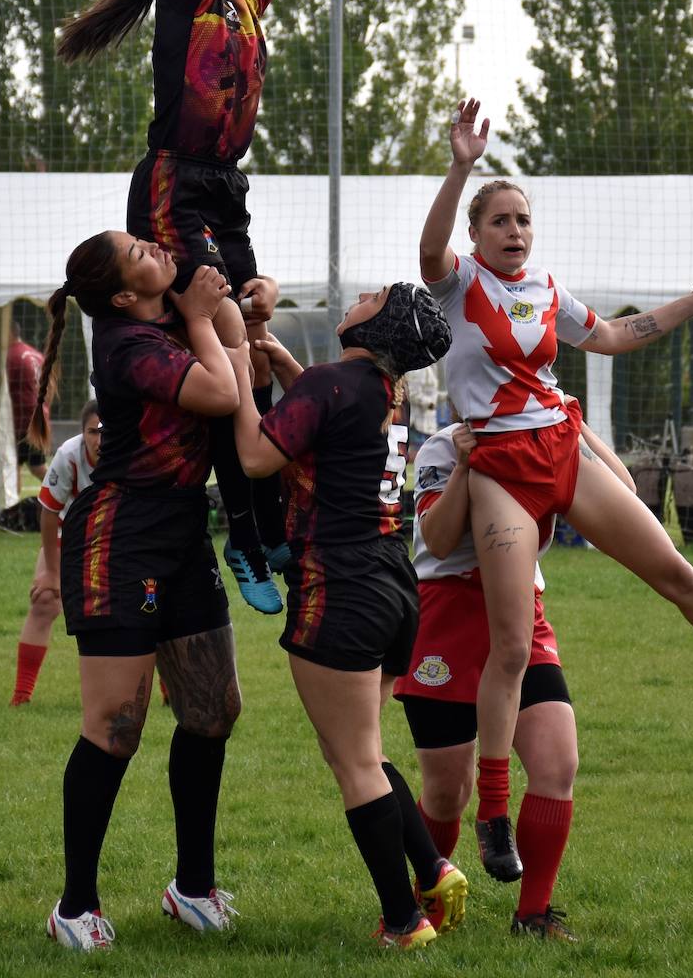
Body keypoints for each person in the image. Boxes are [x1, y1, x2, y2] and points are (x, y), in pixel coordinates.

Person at [419, 98, 693, 884]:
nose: (515, 231)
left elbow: (614, 336)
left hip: (560, 447)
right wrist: (460, 168)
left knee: (678, 573)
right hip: (498, 467)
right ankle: (494, 814)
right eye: (501, 221)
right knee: (513, 646)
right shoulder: (457, 285)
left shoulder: (546, 288)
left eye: (523, 219)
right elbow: (429, 251)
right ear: (477, 233)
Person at [56, 0, 317, 616]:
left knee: (255, 329)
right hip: (173, 181)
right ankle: (243, 530)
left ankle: (263, 516)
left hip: (225, 186)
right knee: (224, 335)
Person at [230, 282, 466, 952]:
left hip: (340, 585)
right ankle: (433, 869)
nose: (361, 294)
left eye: (375, 295)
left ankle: (403, 922)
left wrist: (235, 372)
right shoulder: (379, 390)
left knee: (354, 762)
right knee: (365, 750)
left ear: (377, 325)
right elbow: (323, 410)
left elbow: (254, 457)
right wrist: (280, 360)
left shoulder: (333, 384)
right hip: (392, 583)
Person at [28, 232, 245, 952]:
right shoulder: (125, 343)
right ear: (123, 294)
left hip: (182, 528)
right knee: (116, 725)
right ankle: (75, 907)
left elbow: (231, 340)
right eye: (138, 252)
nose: (153, 247)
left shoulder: (166, 317)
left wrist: (230, 303)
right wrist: (205, 317)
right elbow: (221, 392)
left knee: (213, 710)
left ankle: (193, 888)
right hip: (121, 538)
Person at [394, 406, 634, 944]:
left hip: (524, 613)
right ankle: (425, 901)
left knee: (557, 763)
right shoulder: (443, 446)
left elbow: (625, 492)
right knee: (448, 791)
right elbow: (437, 540)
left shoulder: (545, 438)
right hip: (448, 616)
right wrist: (464, 466)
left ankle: (534, 915)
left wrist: (573, 424)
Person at [10, 399, 102, 706]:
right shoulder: (69, 455)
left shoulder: (132, 453)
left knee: (148, 605)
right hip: (69, 535)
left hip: (117, 539)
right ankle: (21, 696)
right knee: (44, 600)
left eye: (106, 431)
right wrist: (51, 573)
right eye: (93, 432)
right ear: (82, 433)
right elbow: (49, 513)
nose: (99, 440)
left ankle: (169, 693)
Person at [7, 324, 49, 487]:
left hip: (21, 421)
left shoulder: (11, 355)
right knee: (37, 467)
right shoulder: (37, 355)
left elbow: (2, 390)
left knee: (12, 466)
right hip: (38, 417)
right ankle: (63, 494)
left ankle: (12, 503)